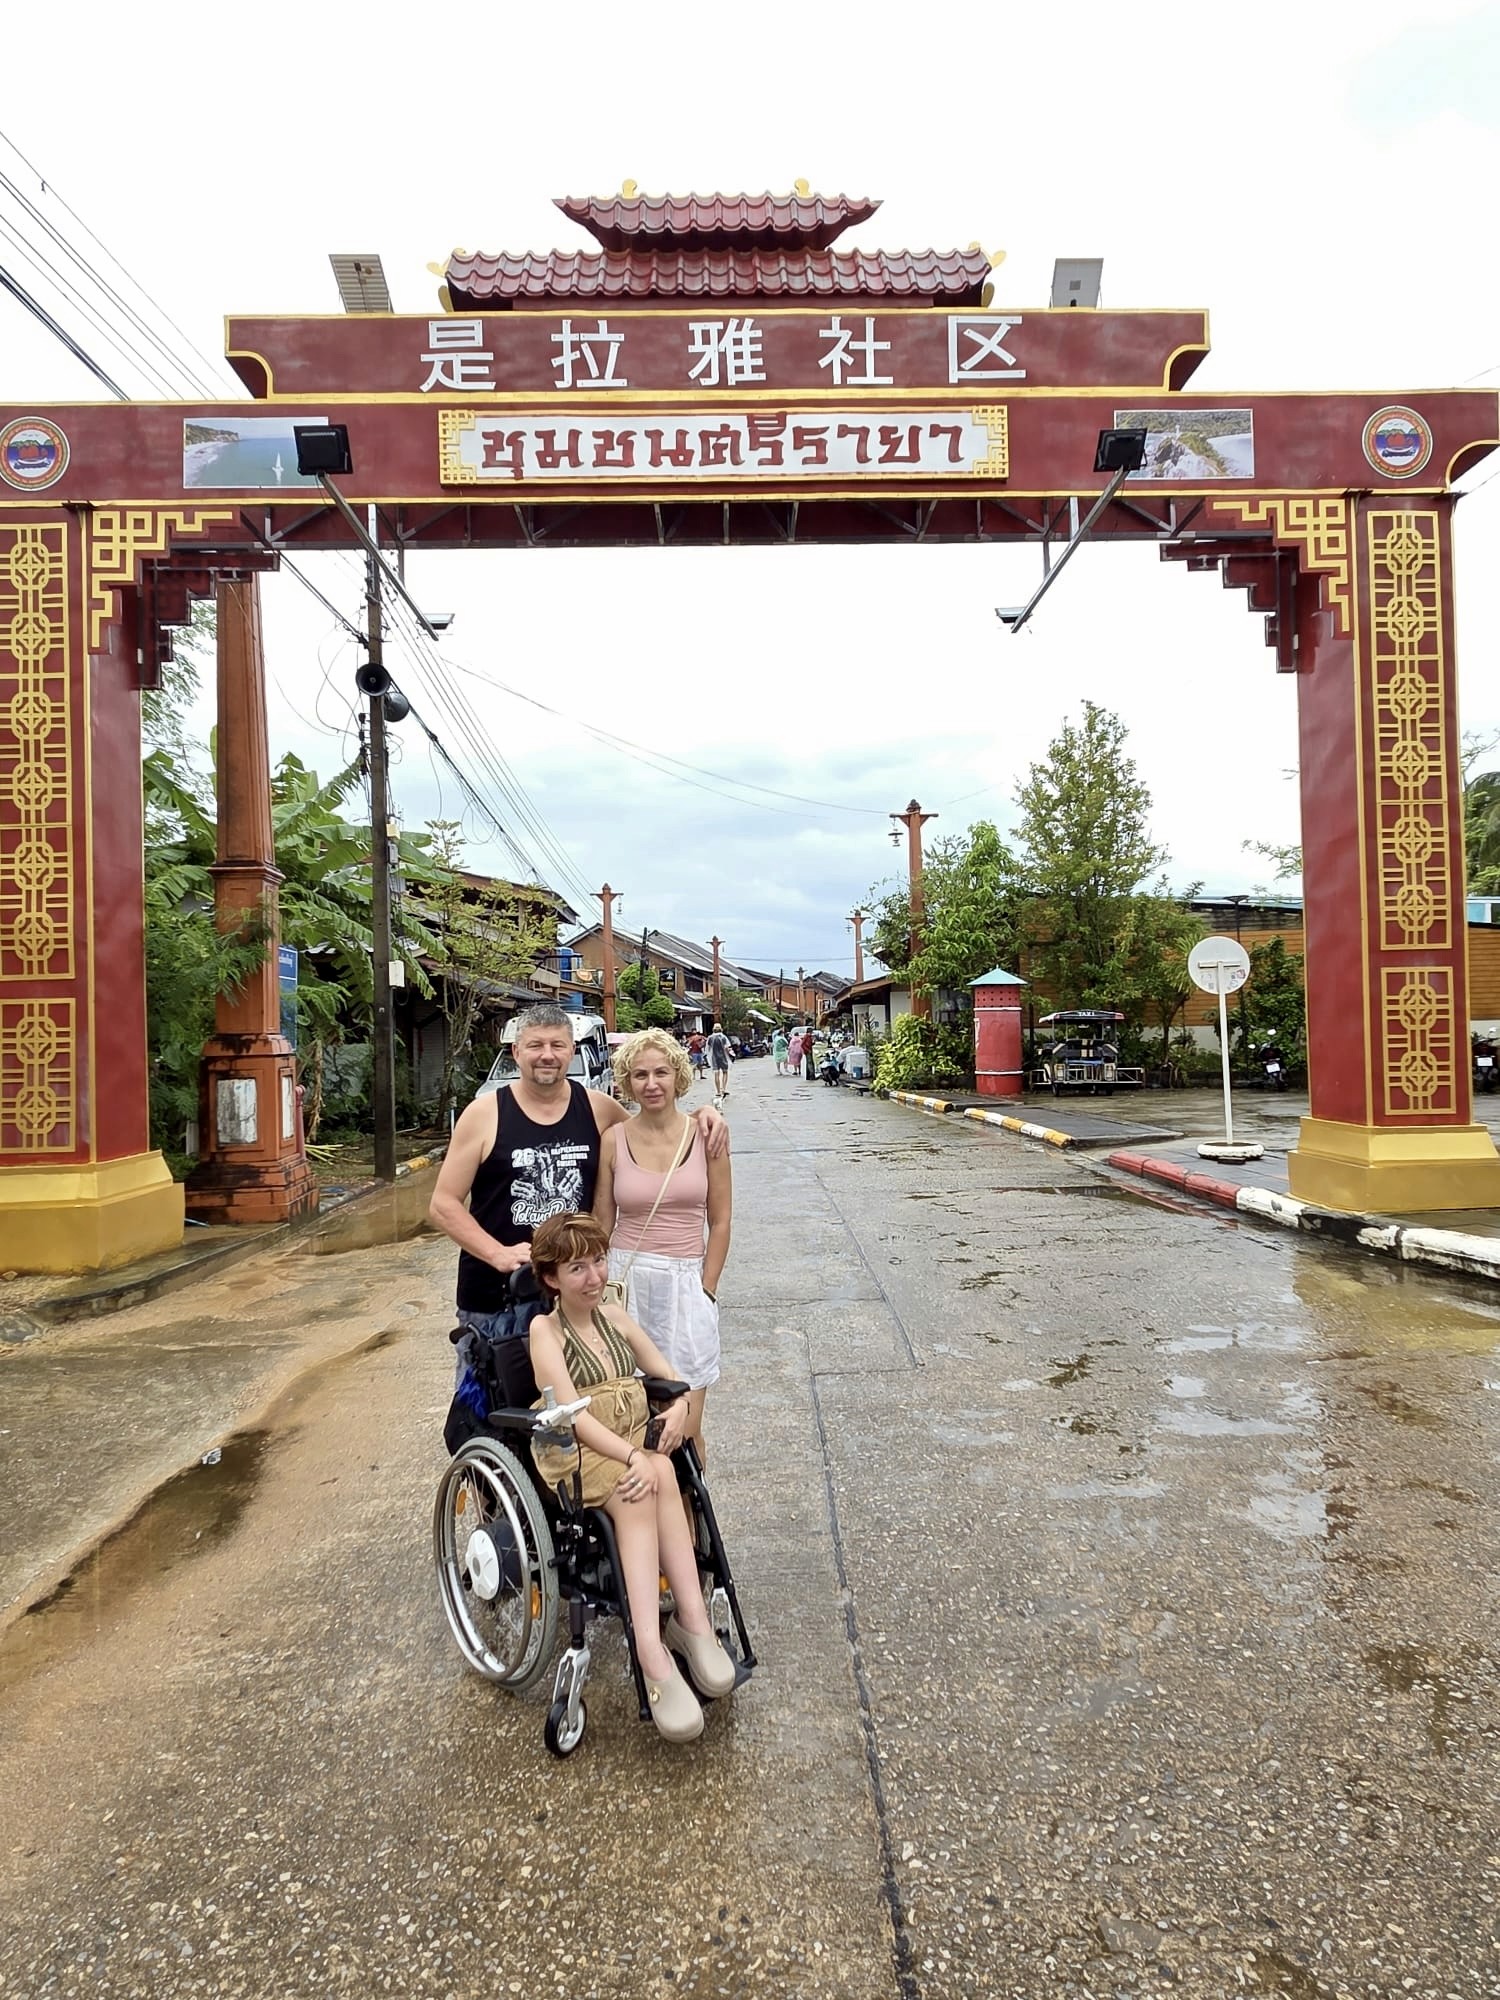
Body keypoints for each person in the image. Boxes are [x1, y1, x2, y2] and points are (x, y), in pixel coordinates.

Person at [429, 1004, 727, 1431]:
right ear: (516, 1052)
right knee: (493, 1419)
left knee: (579, 1417)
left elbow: (655, 1127)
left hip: (573, 1294)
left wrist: (704, 1115)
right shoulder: (485, 1113)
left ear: (572, 1051)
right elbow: (443, 1204)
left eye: (557, 1045)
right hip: (497, 1298)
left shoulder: (597, 1108)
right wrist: (496, 1254)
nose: (546, 1055)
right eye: (535, 1045)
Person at [527, 1212, 736, 1743]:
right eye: (578, 1268)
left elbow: (667, 1372)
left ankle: (691, 1621)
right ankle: (649, 1649)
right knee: (640, 1484)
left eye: (598, 1261)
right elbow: (573, 1414)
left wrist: (679, 1407)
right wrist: (631, 1455)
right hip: (578, 1453)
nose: (594, 1277)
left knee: (663, 1467)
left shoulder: (615, 1317)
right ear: (551, 1277)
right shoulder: (544, 1330)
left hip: (631, 1444)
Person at [594, 1027, 730, 1466]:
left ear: (678, 1076)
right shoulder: (613, 1140)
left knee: (685, 1433)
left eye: (660, 1073)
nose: (651, 1084)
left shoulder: (706, 1135)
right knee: (636, 1426)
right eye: (639, 1075)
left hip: (686, 1284)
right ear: (626, 1082)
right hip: (627, 1285)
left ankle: (694, 1530)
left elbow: (721, 1220)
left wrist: (706, 1289)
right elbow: (602, 1222)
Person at [705, 1020, 733, 1107]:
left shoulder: (710, 1038)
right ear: (721, 1029)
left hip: (714, 1058)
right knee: (725, 1072)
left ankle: (718, 1091)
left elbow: (707, 1049)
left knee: (716, 1074)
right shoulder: (723, 1037)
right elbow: (727, 1048)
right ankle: (723, 1089)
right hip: (723, 1057)